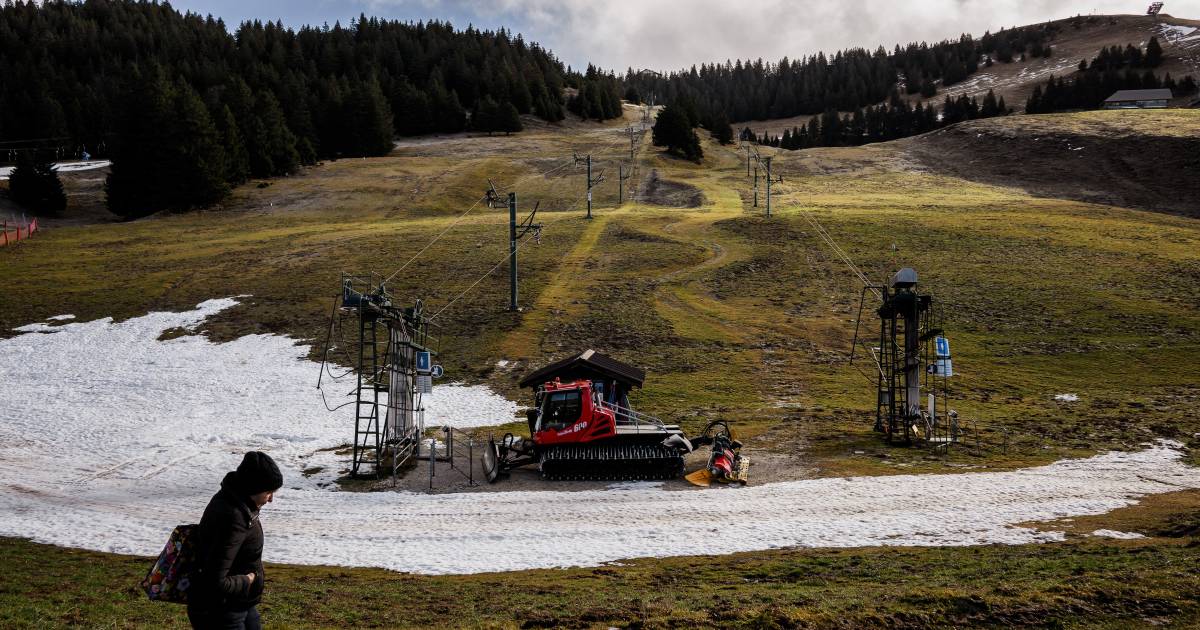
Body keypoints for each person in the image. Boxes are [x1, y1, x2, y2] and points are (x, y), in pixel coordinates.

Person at [187, 451, 283, 630]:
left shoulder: (240, 503)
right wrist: (248, 580)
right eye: (269, 492)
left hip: (239, 604)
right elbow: (214, 581)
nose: (271, 499)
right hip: (219, 611)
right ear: (254, 487)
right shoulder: (233, 517)